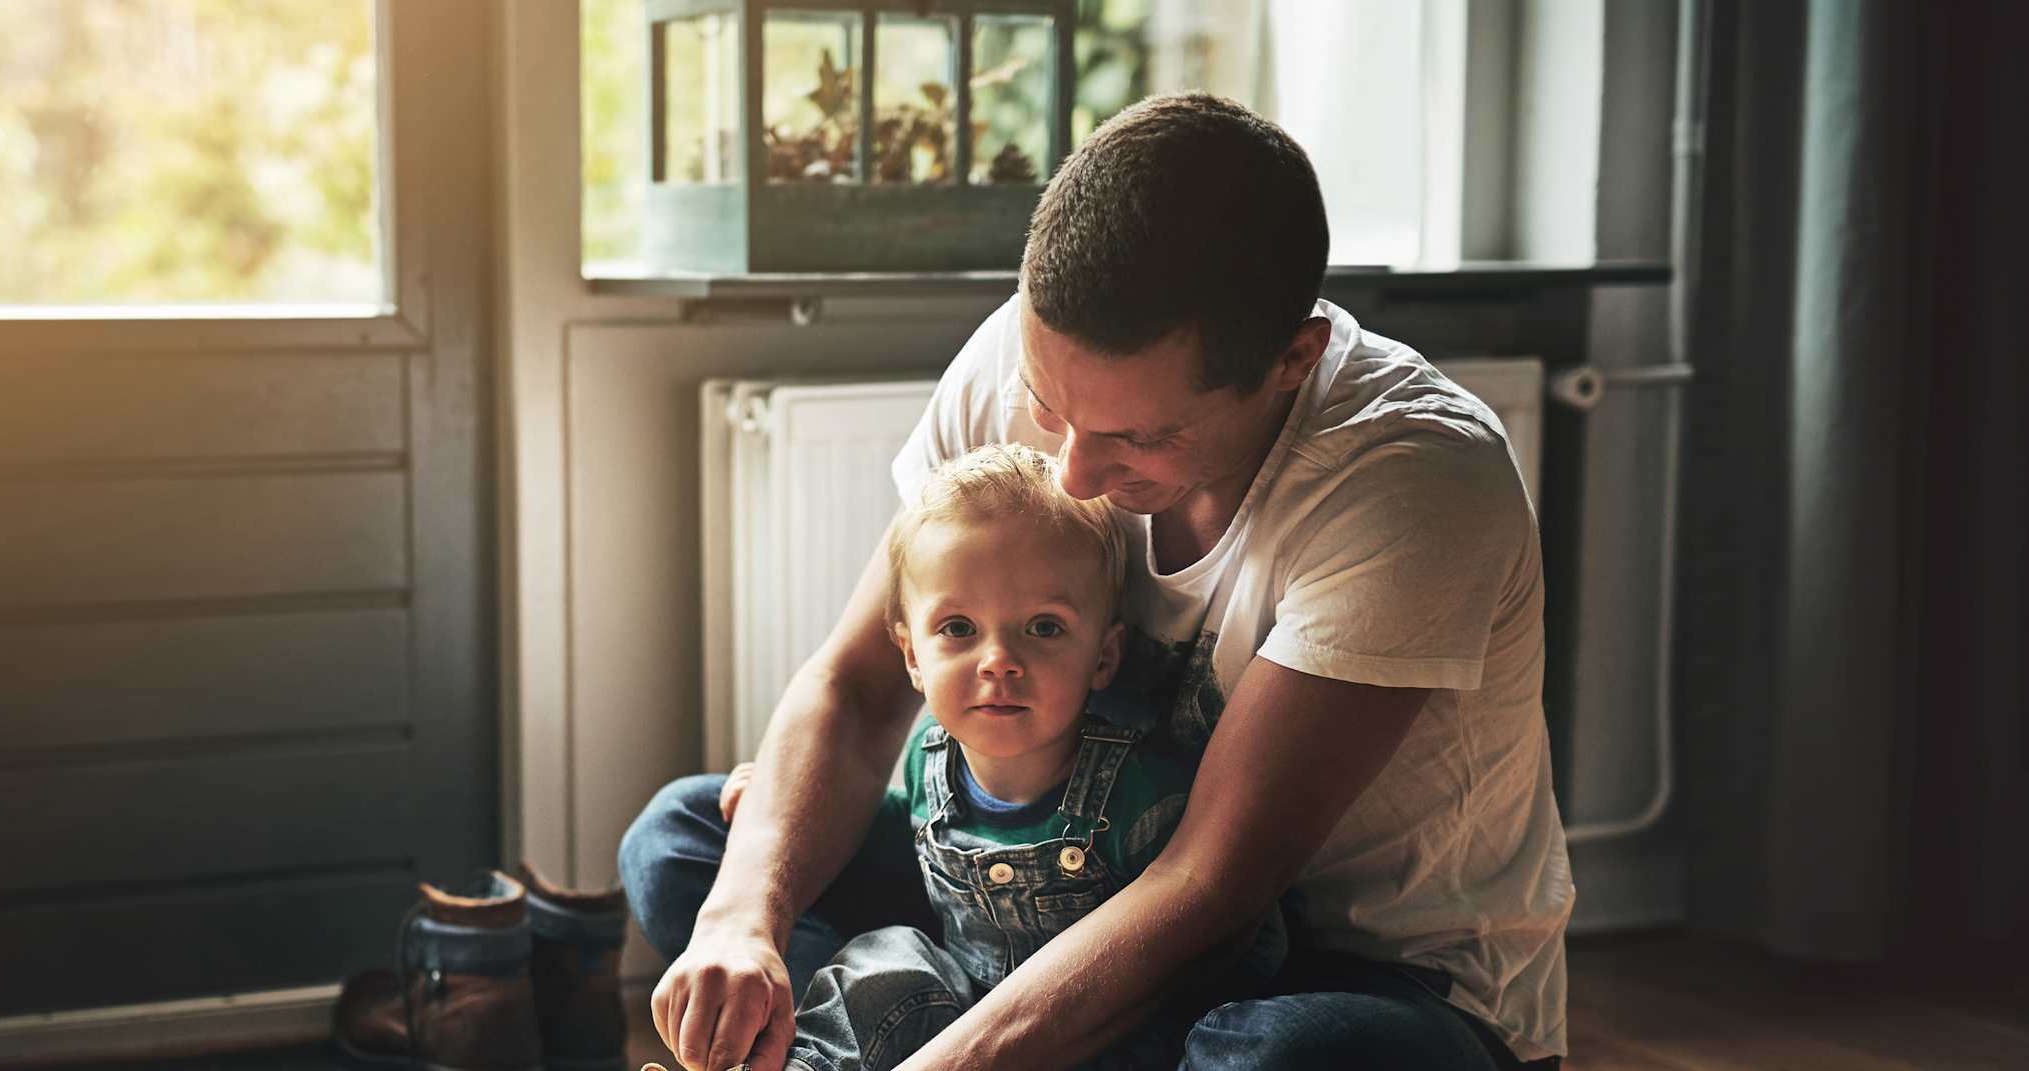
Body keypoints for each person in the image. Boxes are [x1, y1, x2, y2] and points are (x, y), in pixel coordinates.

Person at [621, 93, 1571, 1071]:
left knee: (1279, 1054)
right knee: (689, 847)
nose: (1071, 471)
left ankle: (898, 1040)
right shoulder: (1022, 352)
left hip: (1330, 971)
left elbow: (1209, 883)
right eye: (1047, 404)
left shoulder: (1414, 478)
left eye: (1137, 436)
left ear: (1294, 360)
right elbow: (860, 687)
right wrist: (740, 924)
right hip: (1024, 900)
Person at [745, 442, 1287, 1071]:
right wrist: (777, 790)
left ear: (1104, 656)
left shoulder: (1142, 791)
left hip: (1104, 1036)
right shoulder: (931, 760)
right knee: (881, 959)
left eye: (1044, 627)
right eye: (958, 629)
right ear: (912, 656)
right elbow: (902, 828)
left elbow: (1232, 938)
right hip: (963, 1015)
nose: (997, 659)